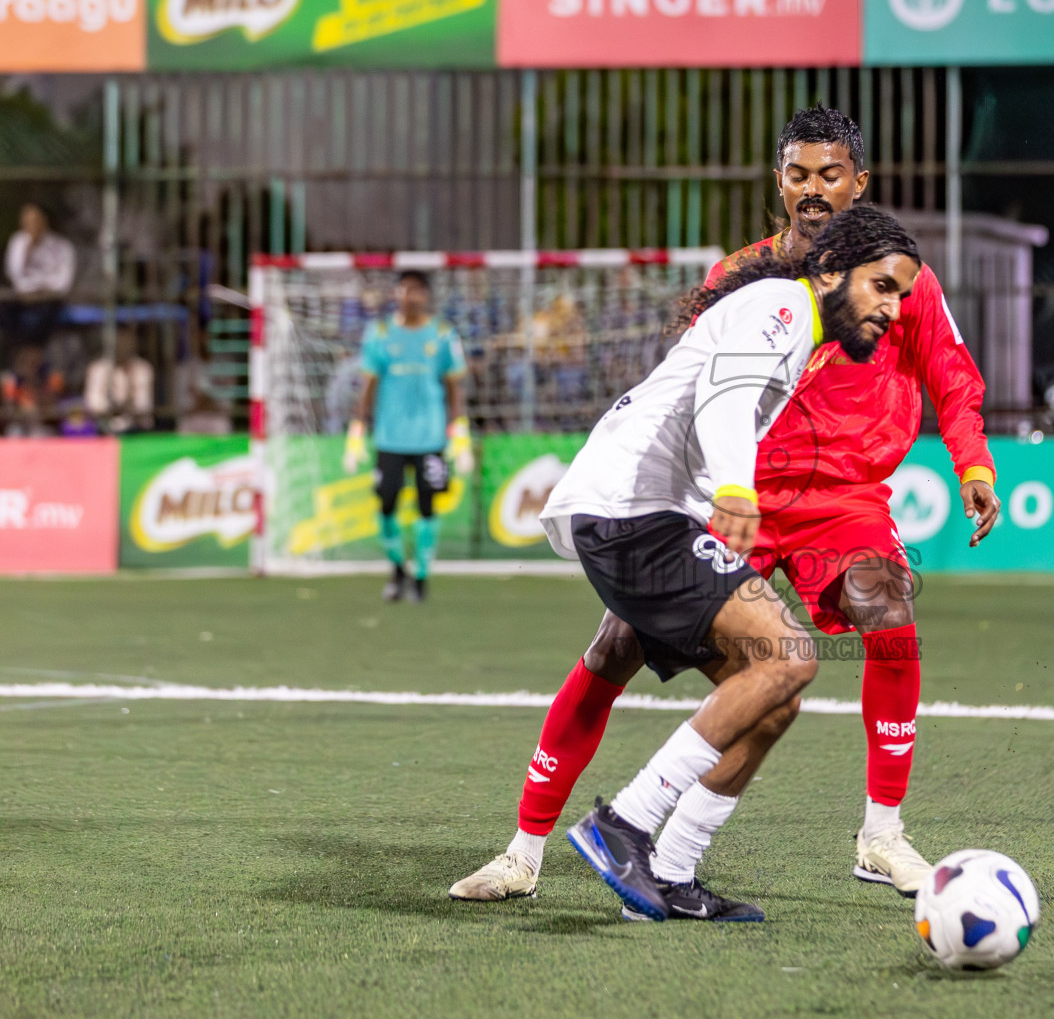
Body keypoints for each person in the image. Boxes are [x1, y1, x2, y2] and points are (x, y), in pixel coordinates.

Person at [450, 109, 1000, 908]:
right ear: (779, 181)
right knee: (617, 648)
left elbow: (951, 371)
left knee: (881, 610)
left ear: (859, 181)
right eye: (799, 174)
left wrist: (973, 460)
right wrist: (724, 488)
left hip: (840, 496)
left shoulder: (897, 275)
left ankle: (879, 835)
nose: (815, 190)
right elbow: (707, 389)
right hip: (729, 493)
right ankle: (526, 850)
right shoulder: (752, 283)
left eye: (831, 174)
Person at [526, 205, 922, 923]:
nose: (894, 309)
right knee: (790, 655)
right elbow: (726, 399)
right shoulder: (782, 304)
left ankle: (671, 875)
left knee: (773, 698)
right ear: (832, 271)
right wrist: (737, 493)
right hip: (632, 511)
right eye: (882, 287)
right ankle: (624, 825)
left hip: (641, 513)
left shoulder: (796, 327)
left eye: (901, 293)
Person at [344, 270, 473, 603]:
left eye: (417, 290)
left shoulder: (443, 334)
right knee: (386, 502)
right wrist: (356, 432)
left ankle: (421, 577)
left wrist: (459, 434)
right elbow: (368, 385)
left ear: (426, 296)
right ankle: (397, 568)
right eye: (404, 289)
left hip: (431, 438)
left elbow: (453, 386)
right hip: (390, 438)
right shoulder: (381, 332)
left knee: (427, 506)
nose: (409, 296)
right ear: (395, 293)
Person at [2, 204, 75, 423]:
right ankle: (21, 353)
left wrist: (40, 290)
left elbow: (62, 282)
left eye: (34, 220)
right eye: (26, 220)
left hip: (49, 301)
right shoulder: (19, 242)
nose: (29, 225)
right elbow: (15, 274)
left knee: (45, 310)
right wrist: (29, 248)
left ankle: (31, 351)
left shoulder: (61, 246)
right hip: (22, 300)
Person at [84, 329, 155, 434]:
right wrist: (111, 410)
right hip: (104, 429)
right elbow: (93, 404)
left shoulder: (142, 368)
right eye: (120, 341)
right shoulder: (98, 368)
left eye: (127, 342)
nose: (123, 346)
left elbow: (143, 405)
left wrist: (130, 399)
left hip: (137, 429)